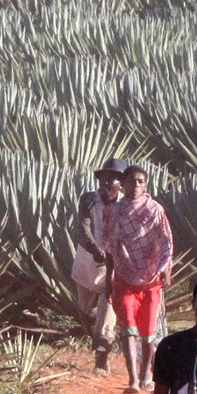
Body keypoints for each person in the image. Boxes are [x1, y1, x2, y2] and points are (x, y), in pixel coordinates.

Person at [99, 165, 174, 393]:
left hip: (151, 279)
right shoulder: (113, 212)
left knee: (148, 332)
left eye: (141, 181)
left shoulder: (155, 210)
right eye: (132, 181)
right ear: (123, 184)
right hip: (124, 278)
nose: (136, 185)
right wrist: (109, 279)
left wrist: (165, 267)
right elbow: (110, 249)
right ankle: (132, 379)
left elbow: (166, 241)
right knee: (128, 328)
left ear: (146, 185)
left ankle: (146, 374)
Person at [73, 159, 128, 374]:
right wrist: (96, 249)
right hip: (87, 262)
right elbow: (83, 228)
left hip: (114, 267)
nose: (107, 182)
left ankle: (101, 356)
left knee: (108, 306)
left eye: (113, 178)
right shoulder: (88, 200)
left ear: (121, 183)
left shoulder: (126, 205)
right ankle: (97, 336)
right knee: (86, 311)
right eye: (105, 177)